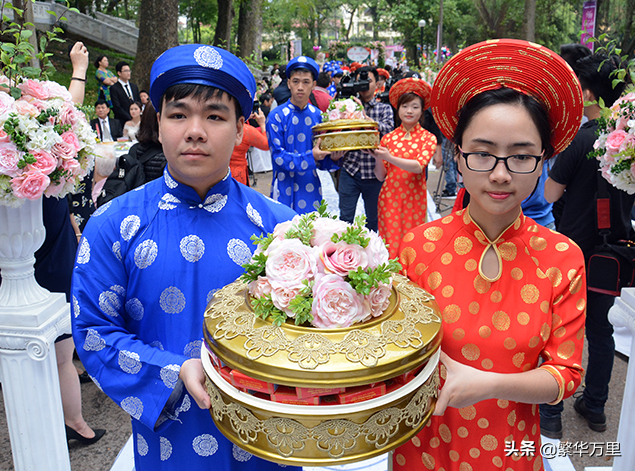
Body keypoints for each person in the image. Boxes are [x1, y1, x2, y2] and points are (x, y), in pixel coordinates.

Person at [71, 44, 298, 471]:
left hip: (272, 440)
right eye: (178, 115)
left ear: (239, 129)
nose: (195, 130)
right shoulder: (113, 225)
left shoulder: (281, 229)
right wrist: (173, 372)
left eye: (214, 115)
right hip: (171, 442)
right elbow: (94, 331)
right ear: (158, 124)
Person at [394, 39, 586, 471]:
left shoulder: (562, 258)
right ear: (458, 156)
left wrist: (488, 384)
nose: (500, 174)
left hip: (510, 451)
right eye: (482, 153)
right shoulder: (417, 247)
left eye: (521, 156)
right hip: (422, 449)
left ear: (543, 162)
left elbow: (566, 375)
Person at [542, 53, 632, 438]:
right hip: (613, 253)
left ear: (589, 92)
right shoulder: (629, 142)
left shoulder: (582, 139)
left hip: (574, 250)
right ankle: (595, 405)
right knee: (600, 327)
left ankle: (551, 413)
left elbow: (549, 193)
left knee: (558, 327)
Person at [368, 77, 437, 258]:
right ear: (398, 109)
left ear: (422, 110)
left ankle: (410, 284)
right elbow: (380, 175)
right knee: (390, 244)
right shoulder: (388, 138)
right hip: (389, 198)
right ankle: (390, 285)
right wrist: (377, 158)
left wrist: (389, 157)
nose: (409, 111)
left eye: (415, 107)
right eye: (405, 106)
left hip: (414, 199)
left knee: (412, 243)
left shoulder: (428, 138)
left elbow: (418, 166)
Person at [266, 56, 342, 214]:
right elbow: (278, 157)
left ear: (314, 85)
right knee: (283, 233)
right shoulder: (276, 116)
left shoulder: (319, 116)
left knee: (311, 233)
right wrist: (312, 157)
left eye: (306, 82)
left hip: (310, 188)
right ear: (288, 83)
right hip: (282, 187)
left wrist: (333, 158)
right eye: (295, 81)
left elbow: (323, 161)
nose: (300, 87)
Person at [339, 66, 394, 231]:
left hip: (375, 174)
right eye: (359, 81)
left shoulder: (384, 108)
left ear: (377, 84)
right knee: (345, 219)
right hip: (350, 169)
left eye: (368, 81)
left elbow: (389, 132)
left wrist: (363, 116)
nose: (363, 85)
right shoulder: (346, 107)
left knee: (374, 220)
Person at [230, 108, 268, 186]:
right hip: (238, 173)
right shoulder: (246, 130)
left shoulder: (216, 127)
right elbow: (266, 144)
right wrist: (263, 124)